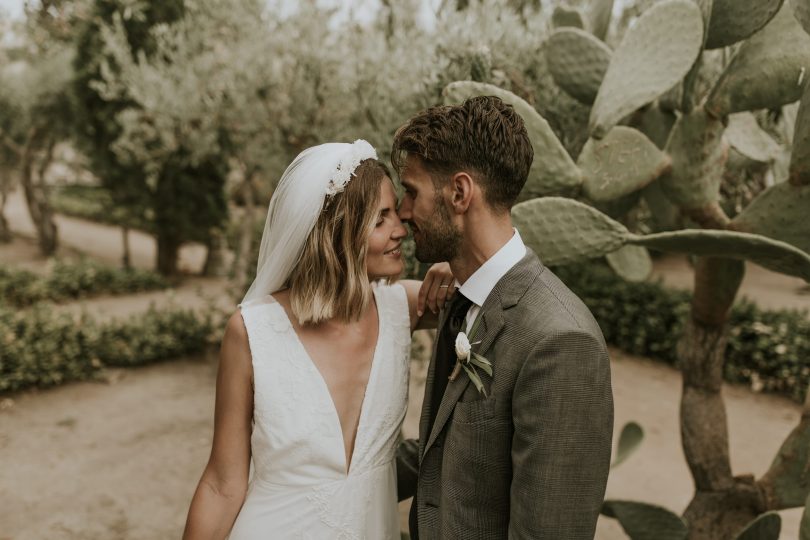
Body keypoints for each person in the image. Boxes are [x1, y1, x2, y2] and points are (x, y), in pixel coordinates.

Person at [182, 140, 456, 539]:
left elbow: (495, 281)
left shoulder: (404, 307)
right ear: (337, 234)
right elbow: (222, 483)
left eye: (395, 212)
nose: (401, 230)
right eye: (380, 220)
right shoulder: (251, 331)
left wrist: (455, 264)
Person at [393, 96, 614, 539]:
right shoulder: (460, 299)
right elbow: (445, 454)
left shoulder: (561, 342)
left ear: (459, 193)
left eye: (412, 192)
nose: (401, 211)